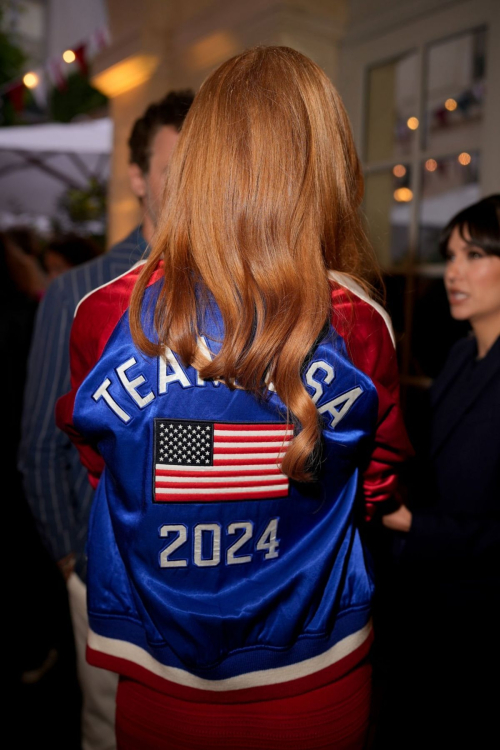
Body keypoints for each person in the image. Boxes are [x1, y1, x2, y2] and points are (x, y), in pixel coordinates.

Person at [56, 47, 412, 749]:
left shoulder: (106, 316)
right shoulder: (358, 321)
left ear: (196, 162)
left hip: (156, 662)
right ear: (328, 168)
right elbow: (379, 476)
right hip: (317, 664)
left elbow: (106, 466)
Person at [19, 90, 194, 750]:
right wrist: (75, 564)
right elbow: (41, 445)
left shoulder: (234, 291)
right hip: (106, 570)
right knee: (111, 733)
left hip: (205, 577)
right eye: (175, 171)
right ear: (140, 178)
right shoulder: (78, 290)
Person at [382, 194, 500, 747]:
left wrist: (413, 524)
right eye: (450, 253)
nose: (453, 270)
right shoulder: (458, 355)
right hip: (425, 604)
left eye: (474, 253)